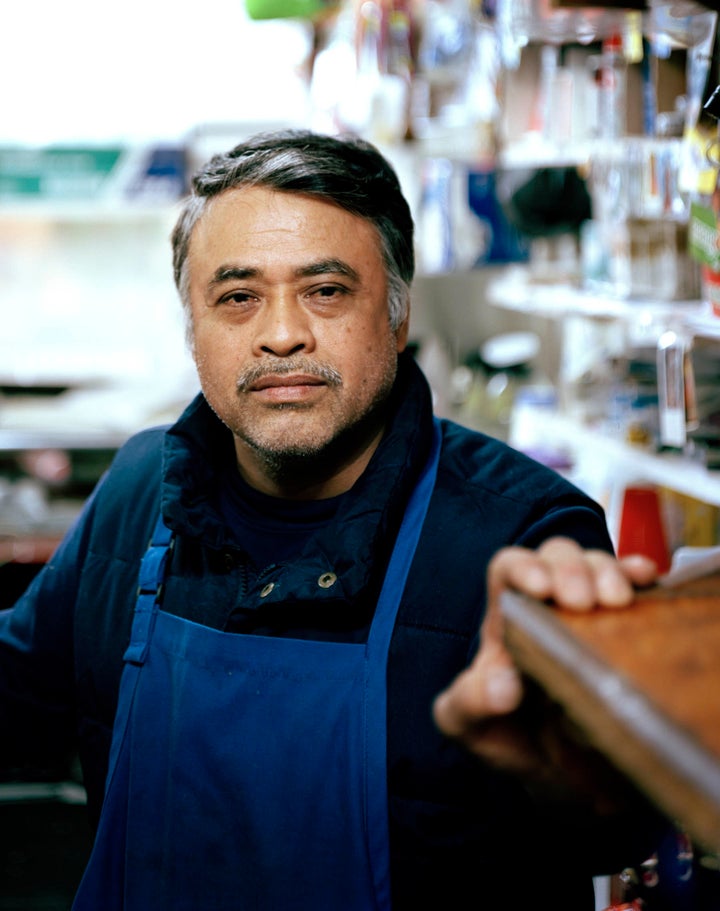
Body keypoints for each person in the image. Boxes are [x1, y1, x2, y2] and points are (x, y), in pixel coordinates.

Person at [0, 129, 663, 910]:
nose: (282, 333)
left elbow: (612, 833)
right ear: (192, 326)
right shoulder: (142, 487)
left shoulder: (520, 534)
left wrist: (577, 768)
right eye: (238, 296)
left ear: (397, 312)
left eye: (326, 290)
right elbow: (19, 708)